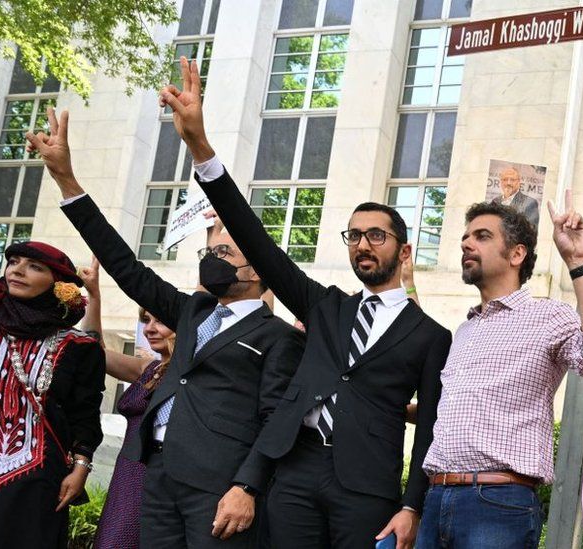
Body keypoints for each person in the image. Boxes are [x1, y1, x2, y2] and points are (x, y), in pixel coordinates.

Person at [161, 57, 452, 549]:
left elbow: (429, 427)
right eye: (354, 235)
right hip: (293, 472)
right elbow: (259, 243)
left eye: (376, 235)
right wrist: (201, 149)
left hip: (366, 487)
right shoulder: (326, 307)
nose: (363, 244)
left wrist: (410, 505)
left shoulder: (431, 336)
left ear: (403, 251)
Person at [26, 107, 306, 548]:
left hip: (220, 489)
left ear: (258, 271)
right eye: (209, 251)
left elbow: (277, 421)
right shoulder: (193, 312)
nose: (212, 259)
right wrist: (67, 180)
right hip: (156, 476)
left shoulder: (279, 338)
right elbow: (126, 267)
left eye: (226, 253)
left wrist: (247, 487)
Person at [418, 192, 583, 547]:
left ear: (517, 254)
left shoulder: (548, 315)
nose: (467, 243)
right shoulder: (465, 330)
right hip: (436, 498)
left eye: (482, 236)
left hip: (497, 504)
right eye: (465, 237)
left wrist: (577, 261)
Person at [0, 242, 106, 547]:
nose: (18, 270)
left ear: (59, 285)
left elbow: (85, 413)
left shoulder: (79, 346)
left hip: (38, 477)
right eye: (14, 262)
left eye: (35, 266)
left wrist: (81, 468)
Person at [78, 257, 176, 549]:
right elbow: (93, 349)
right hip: (127, 471)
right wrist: (94, 295)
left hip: (160, 474)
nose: (150, 328)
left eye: (161, 321)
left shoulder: (193, 372)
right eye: (146, 320)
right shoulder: (146, 368)